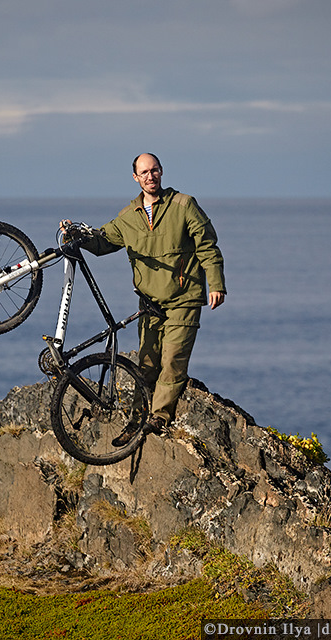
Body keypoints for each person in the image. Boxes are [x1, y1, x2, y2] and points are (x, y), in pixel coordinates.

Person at [64, 153, 226, 445]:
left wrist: (216, 284)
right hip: (150, 303)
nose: (150, 176)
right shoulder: (128, 216)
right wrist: (74, 235)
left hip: (184, 298)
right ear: (136, 178)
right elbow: (102, 242)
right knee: (147, 363)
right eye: (144, 172)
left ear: (161, 172)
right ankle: (136, 421)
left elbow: (207, 246)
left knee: (173, 359)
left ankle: (159, 418)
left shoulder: (184, 205)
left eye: (155, 170)